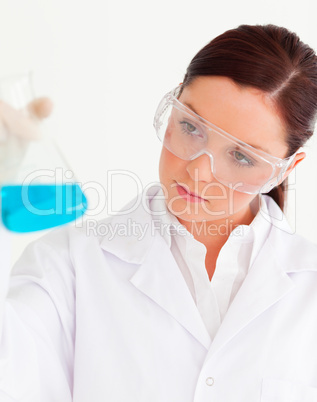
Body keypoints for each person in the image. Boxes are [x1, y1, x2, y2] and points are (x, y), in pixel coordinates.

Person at [1, 24, 317, 402]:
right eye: (191, 127)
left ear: (285, 169)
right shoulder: (66, 265)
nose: (198, 171)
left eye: (241, 156)